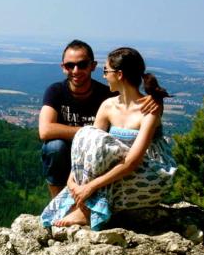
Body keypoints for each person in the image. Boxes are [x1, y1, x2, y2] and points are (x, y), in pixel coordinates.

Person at [40, 47, 177, 230]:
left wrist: (89, 187)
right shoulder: (108, 106)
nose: (104, 76)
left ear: (119, 74)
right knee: (88, 134)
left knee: (97, 147)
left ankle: (86, 210)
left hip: (147, 171)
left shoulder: (149, 110)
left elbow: (132, 162)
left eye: (106, 71)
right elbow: (87, 146)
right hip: (118, 167)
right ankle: (85, 205)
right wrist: (72, 179)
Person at [38, 40, 158, 198]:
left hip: (102, 158)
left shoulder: (107, 97)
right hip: (69, 153)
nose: (75, 70)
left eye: (82, 65)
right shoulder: (56, 91)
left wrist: (157, 100)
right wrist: (88, 133)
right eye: (69, 66)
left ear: (92, 65)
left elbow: (132, 101)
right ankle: (58, 201)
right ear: (63, 67)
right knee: (55, 148)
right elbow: (45, 131)